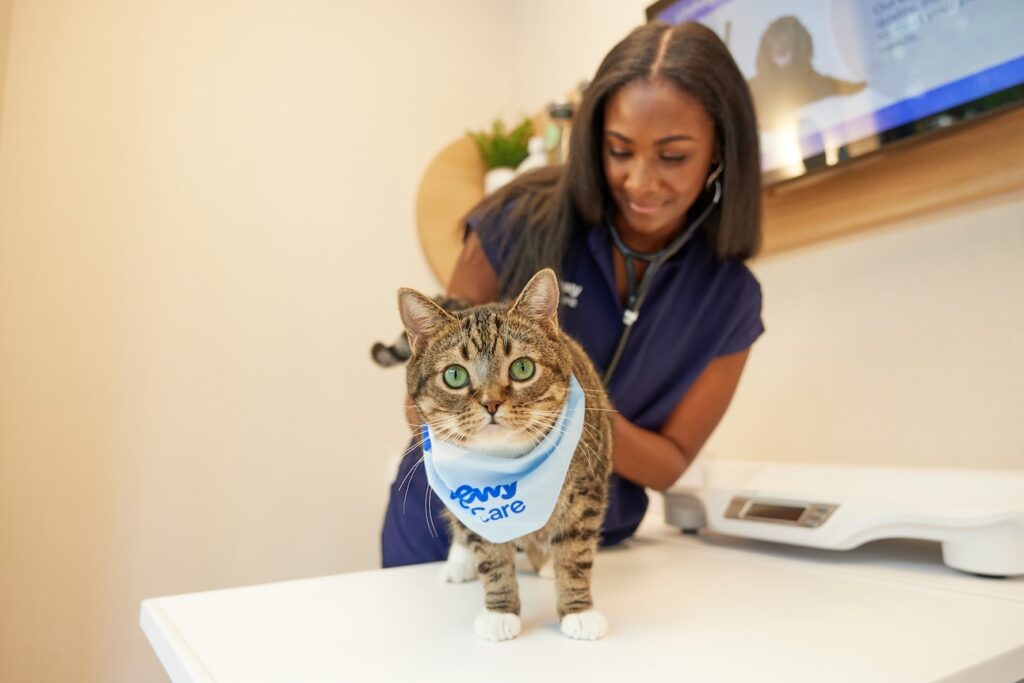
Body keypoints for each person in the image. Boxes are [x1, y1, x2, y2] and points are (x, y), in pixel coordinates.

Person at [381, 20, 763, 567]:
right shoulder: (520, 217)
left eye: (673, 156)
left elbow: (669, 462)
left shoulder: (729, 298)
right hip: (449, 537)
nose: (640, 181)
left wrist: (568, 408)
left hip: (582, 550)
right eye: (619, 150)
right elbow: (429, 388)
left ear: (720, 152)